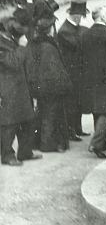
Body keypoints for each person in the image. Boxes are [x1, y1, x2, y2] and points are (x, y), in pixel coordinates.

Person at [26, 11, 73, 152]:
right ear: (50, 30)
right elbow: (54, 70)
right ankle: (48, 144)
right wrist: (66, 85)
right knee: (51, 114)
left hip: (37, 86)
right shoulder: (49, 47)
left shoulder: (33, 44)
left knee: (42, 113)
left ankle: (37, 142)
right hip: (50, 87)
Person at [81, 6, 106, 158]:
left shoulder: (86, 34)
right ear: (103, 17)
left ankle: (102, 142)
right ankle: (97, 143)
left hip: (90, 78)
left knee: (97, 109)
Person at [1, 12, 40, 166]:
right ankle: (7, 155)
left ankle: (25, 152)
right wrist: (22, 47)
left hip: (20, 87)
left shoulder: (12, 39)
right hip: (6, 89)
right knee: (8, 124)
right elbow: (13, 62)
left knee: (28, 121)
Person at [55, 0, 89, 140]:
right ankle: (71, 130)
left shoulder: (73, 28)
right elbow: (77, 44)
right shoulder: (65, 31)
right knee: (72, 102)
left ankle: (77, 128)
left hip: (77, 71)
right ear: (77, 15)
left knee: (78, 100)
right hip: (71, 72)